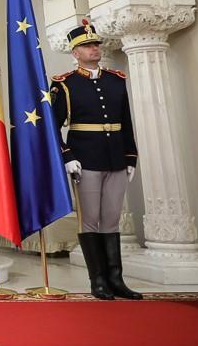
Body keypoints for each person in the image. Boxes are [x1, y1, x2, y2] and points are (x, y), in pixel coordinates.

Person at [51, 20, 142, 300]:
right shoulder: (65, 84)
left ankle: (116, 279)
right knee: (90, 220)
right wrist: (67, 156)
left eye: (96, 44)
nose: (94, 49)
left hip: (116, 157)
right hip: (85, 159)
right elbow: (52, 127)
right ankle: (98, 280)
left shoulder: (116, 80)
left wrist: (130, 157)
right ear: (75, 52)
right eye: (87, 46)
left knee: (111, 220)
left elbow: (126, 121)